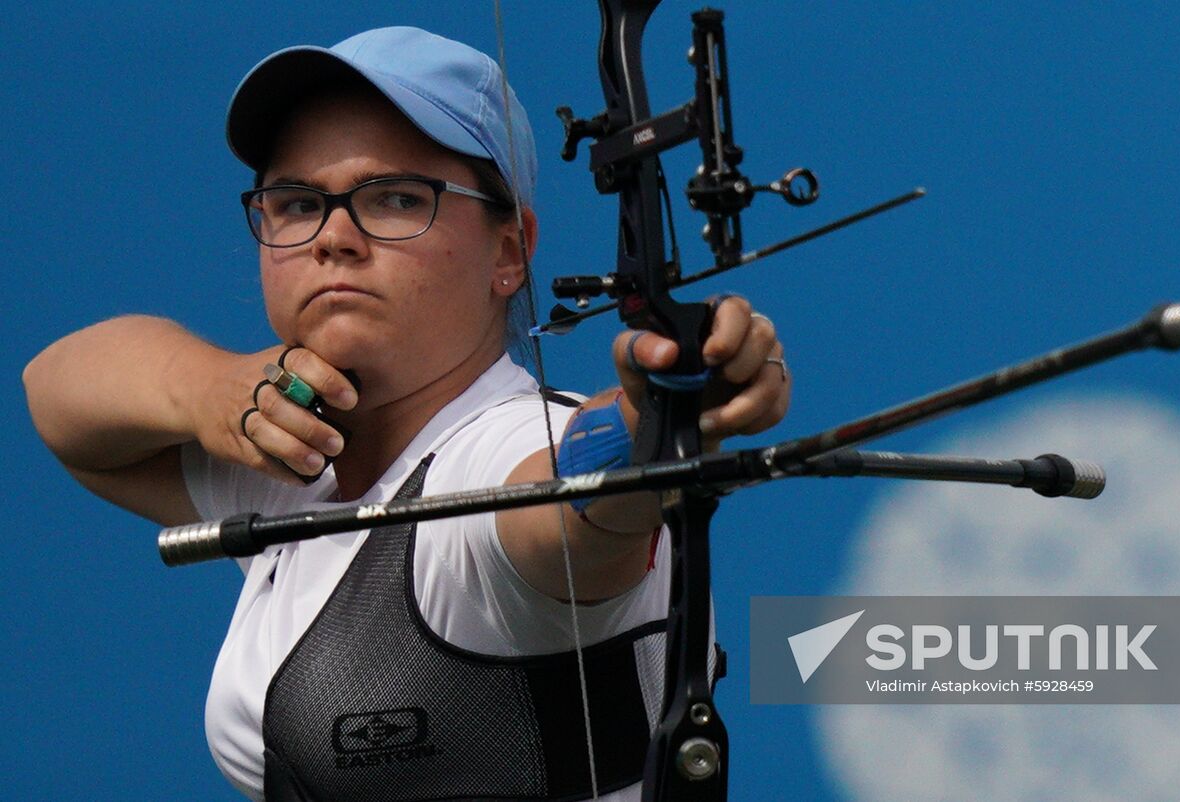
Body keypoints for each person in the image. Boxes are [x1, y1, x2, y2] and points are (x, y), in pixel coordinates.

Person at [22, 26, 789, 802]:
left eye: (395, 199)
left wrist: (655, 414)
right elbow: (58, 398)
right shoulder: (292, 461)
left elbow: (568, 498)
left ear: (510, 252)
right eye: (297, 204)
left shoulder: (502, 451)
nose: (335, 238)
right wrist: (211, 389)